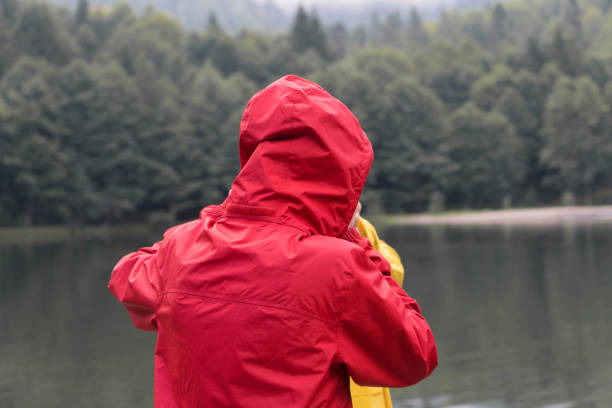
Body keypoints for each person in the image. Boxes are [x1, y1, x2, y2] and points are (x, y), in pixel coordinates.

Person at [108, 75, 437, 407]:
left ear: (253, 155)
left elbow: (126, 276)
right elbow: (415, 356)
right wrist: (355, 241)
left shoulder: (182, 250)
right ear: (341, 172)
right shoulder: (337, 266)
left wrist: (227, 214)